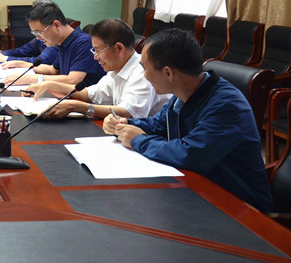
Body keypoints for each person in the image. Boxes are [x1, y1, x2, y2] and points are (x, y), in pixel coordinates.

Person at [103, 29, 273, 213]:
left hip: (239, 207)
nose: (143, 75)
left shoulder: (227, 105)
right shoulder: (184, 92)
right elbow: (159, 125)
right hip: (196, 190)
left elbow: (189, 154)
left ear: (168, 73)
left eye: (144, 68)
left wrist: (138, 140)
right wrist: (126, 125)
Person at [26, 18, 169, 120]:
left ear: (119, 48)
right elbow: (90, 94)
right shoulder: (116, 69)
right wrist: (49, 85)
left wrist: (77, 107)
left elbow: (128, 113)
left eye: (98, 50)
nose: (95, 57)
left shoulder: (142, 72)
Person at [2, 2, 105, 87]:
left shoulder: (84, 42)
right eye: (35, 33)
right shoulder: (62, 42)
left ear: (56, 25)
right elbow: (53, 70)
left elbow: (73, 80)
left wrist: (32, 78)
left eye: (39, 32)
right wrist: (19, 64)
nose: (37, 38)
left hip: (87, 102)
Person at [0, 0, 59, 69]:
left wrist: (5, 58)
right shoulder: (41, 36)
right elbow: (23, 51)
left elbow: (43, 61)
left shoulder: (56, 38)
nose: (37, 36)